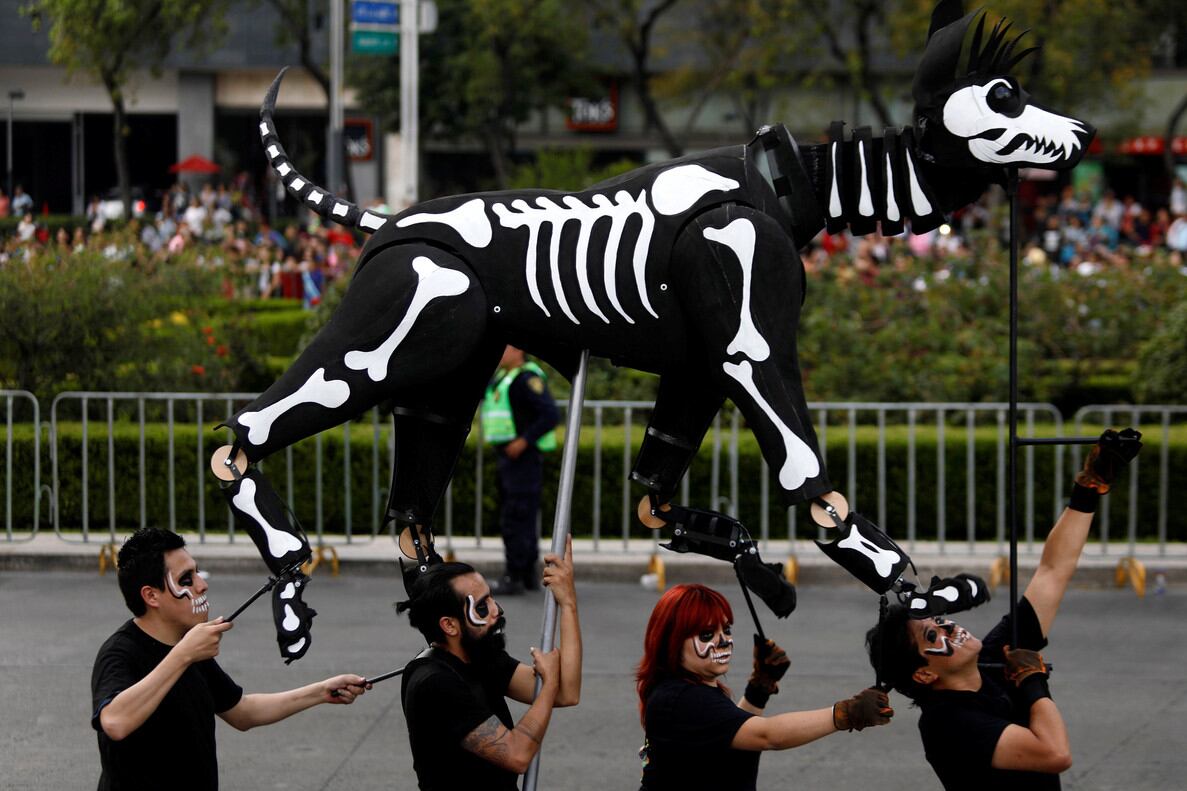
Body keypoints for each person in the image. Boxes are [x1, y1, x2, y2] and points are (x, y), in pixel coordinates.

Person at [866, 427, 1142, 791]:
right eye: (933, 635)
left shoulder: (995, 659)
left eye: (941, 620)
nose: (950, 627)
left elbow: (1052, 573)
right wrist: (1032, 681)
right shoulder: (947, 722)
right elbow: (1055, 754)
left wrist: (1089, 489)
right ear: (923, 675)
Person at [91, 528, 368, 790]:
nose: (202, 585)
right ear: (151, 596)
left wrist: (321, 692)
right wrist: (183, 655)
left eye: (198, 573)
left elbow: (242, 712)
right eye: (186, 579)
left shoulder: (188, 645)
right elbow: (115, 722)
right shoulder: (120, 653)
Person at [636, 584, 893, 790]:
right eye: (706, 635)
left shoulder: (690, 692)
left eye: (726, 629)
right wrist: (846, 713)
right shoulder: (682, 699)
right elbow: (768, 735)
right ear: (672, 641)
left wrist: (758, 690)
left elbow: (731, 735)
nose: (723, 641)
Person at [397, 537, 582, 790]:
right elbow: (516, 755)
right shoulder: (435, 684)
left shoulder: (480, 656)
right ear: (449, 625)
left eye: (491, 598)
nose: (497, 610)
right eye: (482, 606)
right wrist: (547, 685)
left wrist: (568, 603)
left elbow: (567, 692)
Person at [480, 345, 560, 596]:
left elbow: (550, 414)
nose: (500, 353)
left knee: (517, 517)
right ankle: (526, 576)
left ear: (519, 350)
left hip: (523, 459)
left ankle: (514, 575)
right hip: (509, 458)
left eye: (505, 348)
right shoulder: (503, 378)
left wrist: (524, 440)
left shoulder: (527, 378)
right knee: (518, 516)